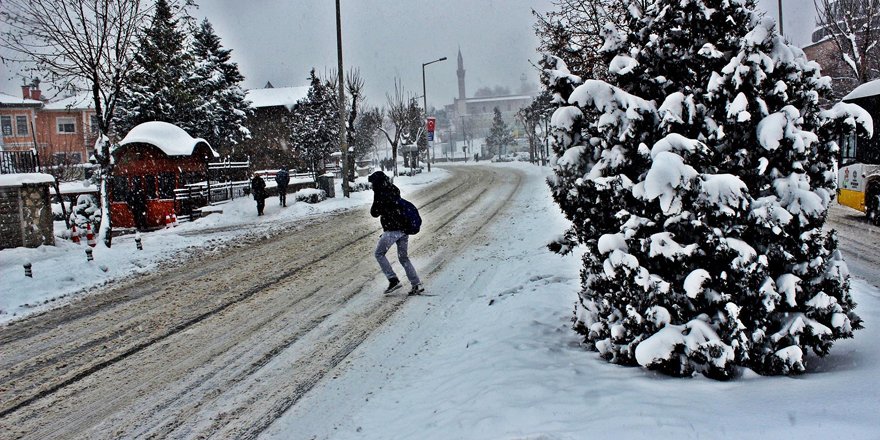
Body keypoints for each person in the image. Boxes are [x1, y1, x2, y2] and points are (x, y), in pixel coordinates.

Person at [368, 171, 423, 295]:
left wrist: (377, 199)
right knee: (403, 258)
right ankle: (416, 284)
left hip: (392, 230)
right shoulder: (393, 190)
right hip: (404, 230)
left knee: (379, 254)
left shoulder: (380, 193)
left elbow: (374, 212)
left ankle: (393, 279)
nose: (371, 186)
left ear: (376, 183)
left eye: (372, 183)